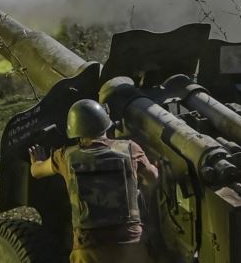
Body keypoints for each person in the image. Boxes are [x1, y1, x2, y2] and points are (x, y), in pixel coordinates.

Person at [29, 99, 158, 263]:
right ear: (106, 123)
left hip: (89, 248)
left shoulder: (65, 156)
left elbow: (36, 172)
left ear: (75, 131)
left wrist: (37, 161)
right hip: (130, 244)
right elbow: (153, 178)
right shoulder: (130, 149)